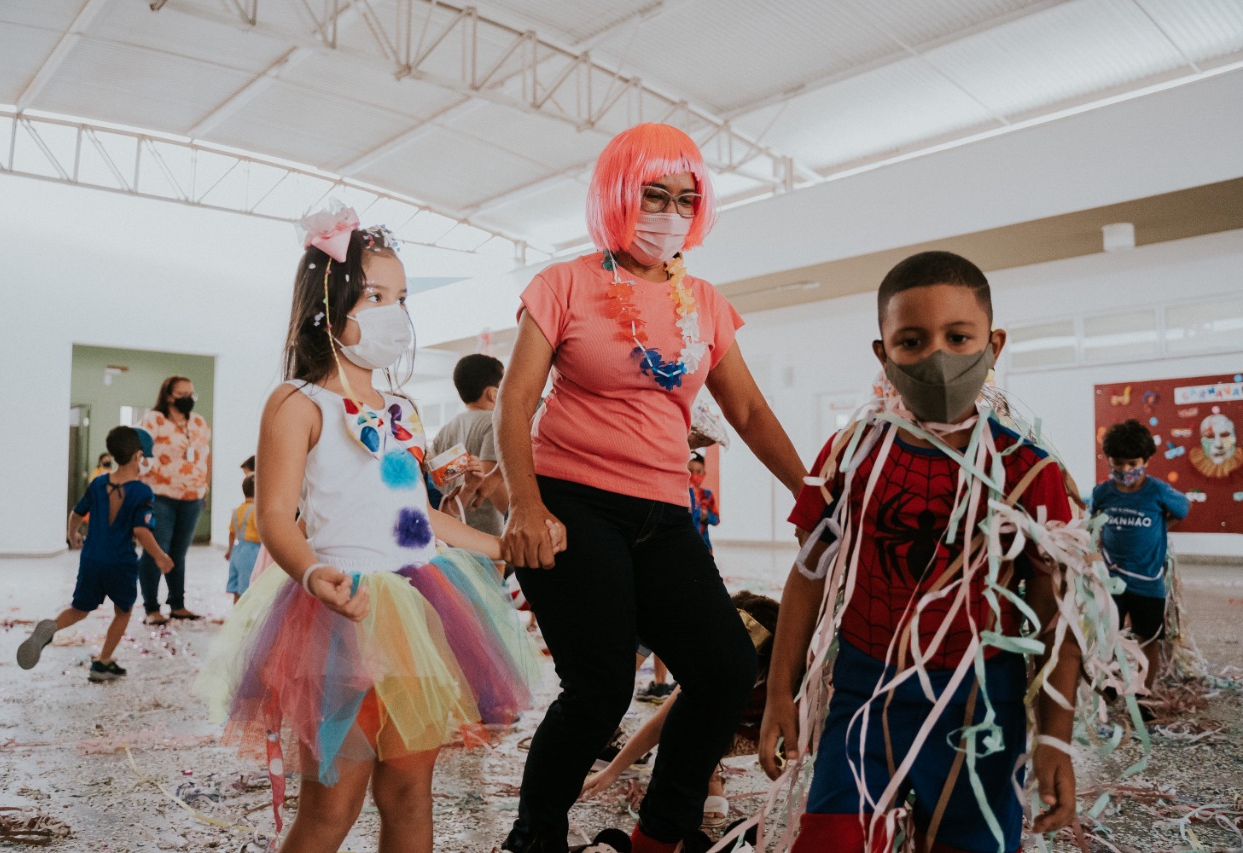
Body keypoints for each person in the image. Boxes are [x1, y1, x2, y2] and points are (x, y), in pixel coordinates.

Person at [495, 123, 807, 853]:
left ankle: (659, 835)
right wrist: (525, 503)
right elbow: (515, 401)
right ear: (616, 197)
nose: (669, 212)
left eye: (683, 198)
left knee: (725, 666)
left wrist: (811, 492)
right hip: (572, 501)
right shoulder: (563, 284)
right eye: (652, 195)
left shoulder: (703, 302)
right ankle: (534, 837)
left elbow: (751, 411)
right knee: (600, 688)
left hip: (665, 509)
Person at [192, 206, 541, 853]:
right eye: (375, 295)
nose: (393, 312)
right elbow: (274, 515)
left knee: (410, 793)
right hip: (336, 616)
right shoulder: (297, 403)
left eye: (401, 297)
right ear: (328, 301)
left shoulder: (400, 410)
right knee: (333, 806)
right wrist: (312, 572)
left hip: (419, 610)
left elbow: (417, 517)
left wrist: (501, 544)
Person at [760, 251, 1082, 852]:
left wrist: (1055, 735)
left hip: (982, 706)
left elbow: (1055, 608)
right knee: (829, 841)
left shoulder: (1028, 469)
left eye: (959, 337)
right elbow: (808, 576)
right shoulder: (851, 454)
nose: (939, 356)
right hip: (863, 689)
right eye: (911, 341)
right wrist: (784, 690)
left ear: (994, 344)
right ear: (883, 354)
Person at [583, 591, 779, 833]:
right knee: (689, 724)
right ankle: (711, 776)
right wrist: (613, 771)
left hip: (772, 732)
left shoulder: (788, 680)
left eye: (754, 666)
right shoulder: (712, 670)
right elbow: (660, 724)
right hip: (726, 730)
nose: (741, 673)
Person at [18, 427, 173, 681]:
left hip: (91, 559)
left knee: (80, 609)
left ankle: (52, 628)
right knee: (123, 611)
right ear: (137, 456)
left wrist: (72, 534)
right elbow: (141, 530)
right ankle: (102, 662)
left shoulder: (99, 482)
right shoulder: (142, 491)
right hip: (120, 562)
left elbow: (77, 514)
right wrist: (160, 556)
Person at [1092, 419, 1190, 705]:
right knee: (1108, 636)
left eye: (1132, 462)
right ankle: (1109, 685)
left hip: (1148, 583)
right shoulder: (1102, 493)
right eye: (1117, 463)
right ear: (1109, 461)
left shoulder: (1158, 492)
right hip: (1112, 580)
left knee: (1147, 639)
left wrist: (1160, 528)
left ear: (1146, 460)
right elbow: (1093, 524)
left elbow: (1182, 509)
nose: (1124, 470)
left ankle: (1143, 692)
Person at [138, 375, 211, 624]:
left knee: (179, 553)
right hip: (160, 495)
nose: (189, 398)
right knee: (157, 551)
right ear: (169, 396)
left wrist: (205, 485)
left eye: (191, 393)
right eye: (182, 394)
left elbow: (205, 457)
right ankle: (151, 608)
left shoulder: (199, 423)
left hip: (192, 496)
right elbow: (141, 454)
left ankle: (177, 605)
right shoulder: (153, 420)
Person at [431, 353, 506, 535]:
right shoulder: (494, 422)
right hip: (485, 534)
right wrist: (513, 515)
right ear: (493, 393)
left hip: (451, 531)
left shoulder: (445, 429)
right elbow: (490, 482)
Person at [223, 474, 261, 603]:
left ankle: (236, 615)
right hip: (252, 552)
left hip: (238, 551)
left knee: (237, 588)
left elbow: (232, 533)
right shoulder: (256, 511)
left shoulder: (237, 510)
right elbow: (261, 533)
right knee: (249, 586)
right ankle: (246, 617)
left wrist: (229, 550)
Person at [686, 452, 719, 552]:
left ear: (703, 474)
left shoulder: (707, 495)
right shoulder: (681, 494)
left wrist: (706, 516)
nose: (694, 475)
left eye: (698, 471)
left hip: (704, 545)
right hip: (684, 545)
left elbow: (716, 520)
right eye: (690, 471)